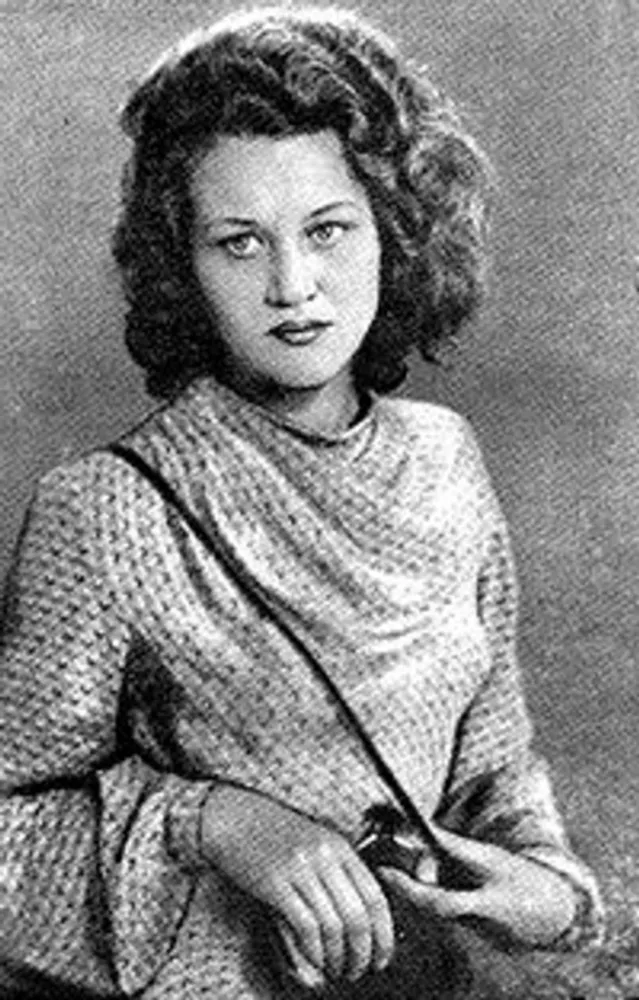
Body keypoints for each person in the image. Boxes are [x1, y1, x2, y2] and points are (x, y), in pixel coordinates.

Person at [1, 7, 603, 999]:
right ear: (184, 263)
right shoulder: (100, 509)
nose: (292, 285)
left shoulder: (447, 459)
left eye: (327, 230)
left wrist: (549, 887)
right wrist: (213, 822)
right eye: (239, 242)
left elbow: (494, 769)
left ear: (393, 233)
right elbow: (10, 836)